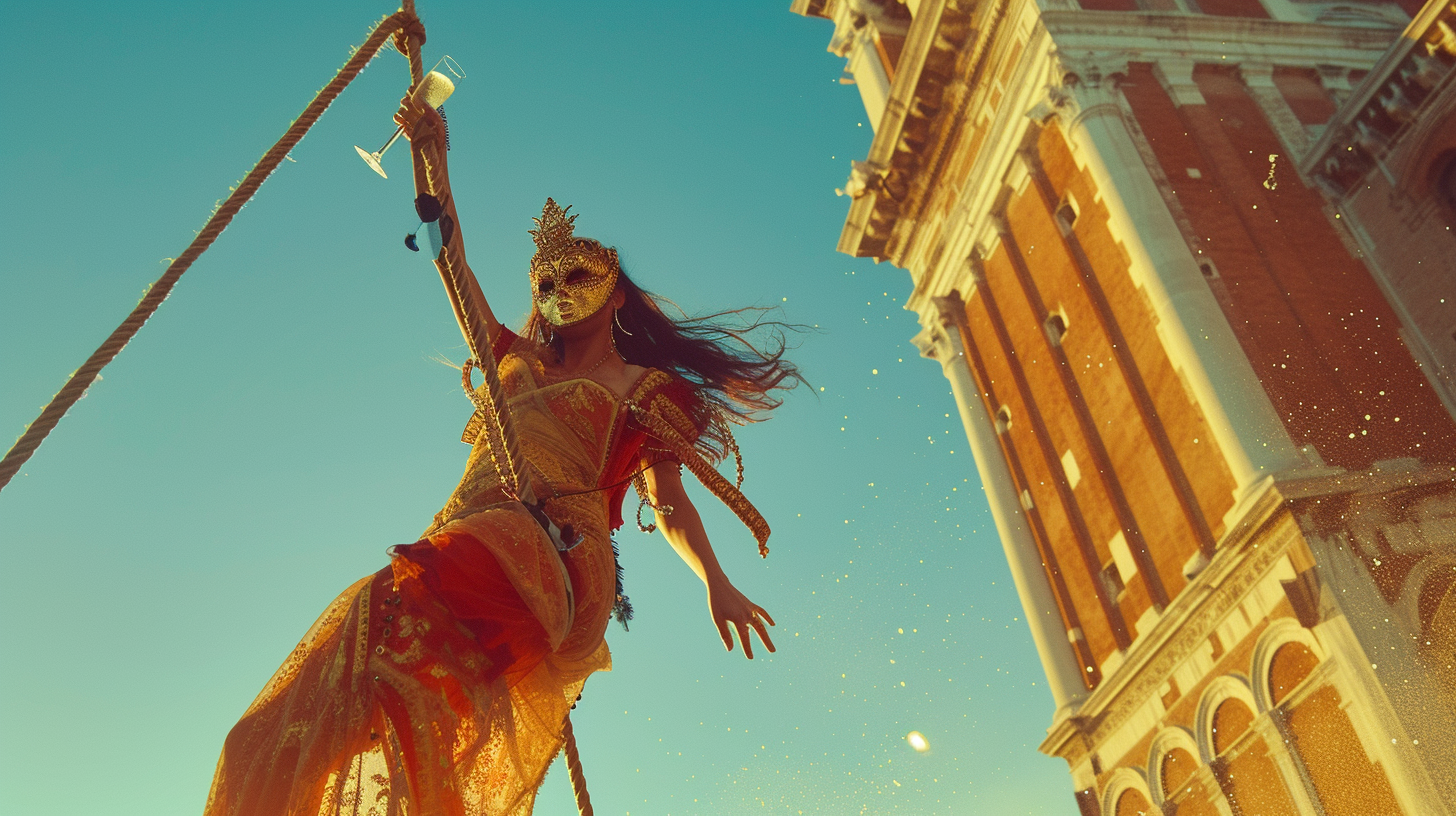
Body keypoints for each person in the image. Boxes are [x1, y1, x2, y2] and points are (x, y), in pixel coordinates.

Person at [201, 92, 800, 816]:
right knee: (299, 735)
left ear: (615, 294)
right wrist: (434, 161)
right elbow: (450, 266)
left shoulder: (644, 388)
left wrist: (715, 579)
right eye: (545, 283)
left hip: (546, 554)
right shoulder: (514, 362)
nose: (558, 293)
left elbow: (666, 502)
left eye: (577, 277)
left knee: (394, 670)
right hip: (464, 544)